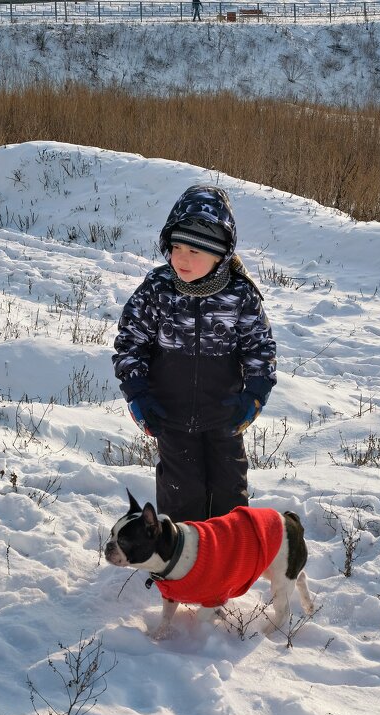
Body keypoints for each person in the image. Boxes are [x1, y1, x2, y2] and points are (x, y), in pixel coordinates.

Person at [113, 184, 276, 524]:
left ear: (220, 254)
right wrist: (138, 394)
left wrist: (255, 395)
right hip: (169, 416)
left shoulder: (240, 294)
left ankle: (229, 566)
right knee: (181, 495)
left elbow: (259, 349)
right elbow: (130, 342)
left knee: (229, 495)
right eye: (176, 247)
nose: (181, 258)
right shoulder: (157, 290)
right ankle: (184, 567)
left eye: (194, 251)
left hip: (225, 417)